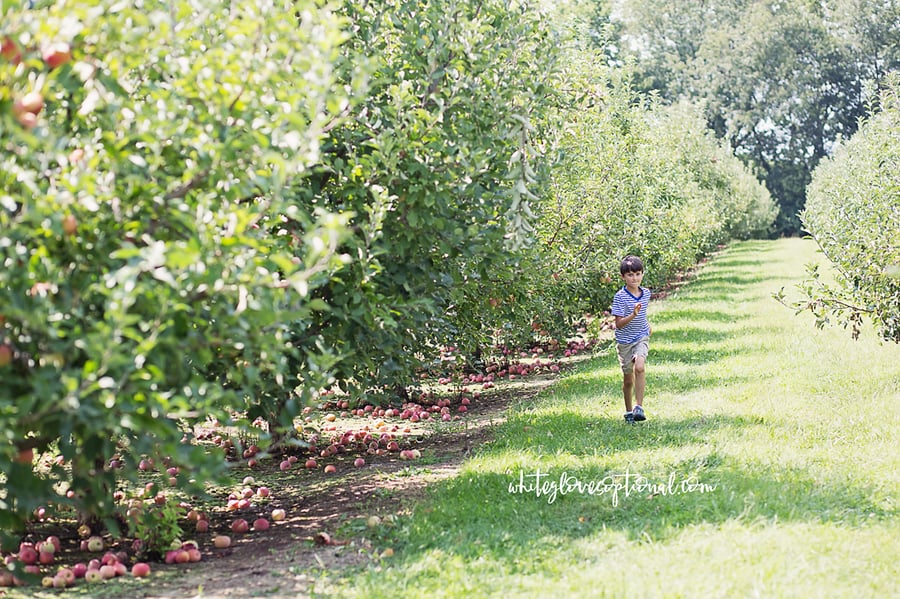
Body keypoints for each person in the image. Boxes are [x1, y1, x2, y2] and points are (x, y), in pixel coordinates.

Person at [611, 255, 651, 423]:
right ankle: (628, 412)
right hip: (625, 342)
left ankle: (639, 407)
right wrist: (632, 315)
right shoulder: (620, 297)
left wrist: (647, 325)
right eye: (630, 275)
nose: (634, 278)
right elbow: (619, 324)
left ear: (642, 274)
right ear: (623, 277)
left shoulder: (646, 293)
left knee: (640, 367)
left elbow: (643, 314)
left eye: (637, 274)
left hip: (641, 336)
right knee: (628, 380)